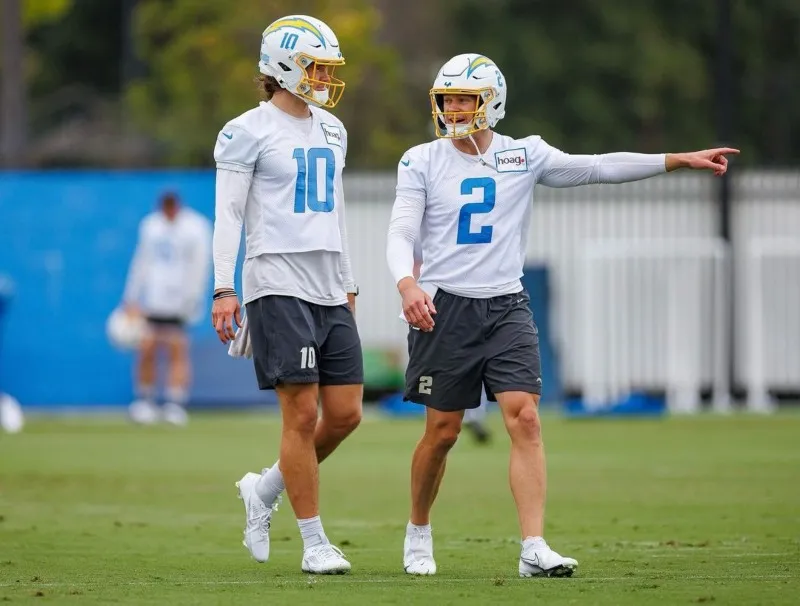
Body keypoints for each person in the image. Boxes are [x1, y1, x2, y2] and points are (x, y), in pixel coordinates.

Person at [386, 53, 738, 578]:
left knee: (525, 418)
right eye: (448, 99)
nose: (455, 109)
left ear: (493, 103)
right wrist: (407, 281)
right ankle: (418, 529)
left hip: (506, 303)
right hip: (447, 306)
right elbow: (401, 231)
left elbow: (596, 166)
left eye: (465, 99)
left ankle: (533, 546)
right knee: (442, 432)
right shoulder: (420, 160)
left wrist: (674, 159)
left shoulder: (524, 154)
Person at [211, 14, 362, 575]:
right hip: (276, 280)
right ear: (280, 67)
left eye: (326, 67)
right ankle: (314, 541)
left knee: (344, 415)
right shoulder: (246, 129)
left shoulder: (332, 128)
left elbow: (337, 214)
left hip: (327, 284)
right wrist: (225, 286)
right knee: (300, 415)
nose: (322, 76)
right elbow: (228, 215)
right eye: (313, 65)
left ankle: (265, 488)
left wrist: (347, 281)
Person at [123, 192, 212, 426]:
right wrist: (131, 296)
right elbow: (141, 260)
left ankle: (175, 402)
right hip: (153, 297)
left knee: (177, 348)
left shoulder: (196, 227)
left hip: (180, 299)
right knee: (147, 347)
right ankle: (145, 399)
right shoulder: (151, 226)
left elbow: (201, 264)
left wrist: (193, 298)